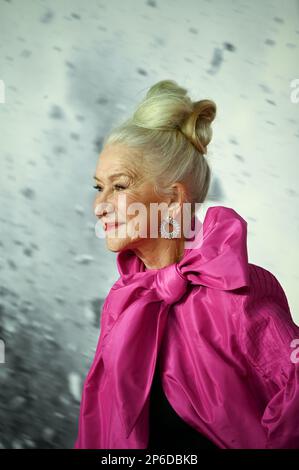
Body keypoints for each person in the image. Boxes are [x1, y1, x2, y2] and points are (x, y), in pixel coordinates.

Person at [74, 79, 299, 449]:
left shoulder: (236, 294)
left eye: (120, 186)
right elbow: (98, 433)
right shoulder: (124, 302)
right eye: (99, 188)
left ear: (174, 200)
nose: (99, 206)